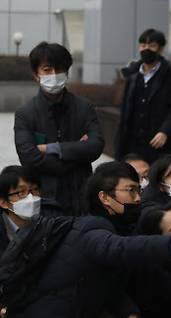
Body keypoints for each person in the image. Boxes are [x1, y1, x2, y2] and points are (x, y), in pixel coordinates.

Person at [0, 161, 171, 318]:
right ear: (105, 198)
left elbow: (107, 285)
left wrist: (130, 313)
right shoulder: (91, 229)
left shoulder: (120, 224)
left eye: (139, 190)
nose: (138, 198)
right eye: (130, 190)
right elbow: (118, 249)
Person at [14, 42, 105, 216]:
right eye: (47, 70)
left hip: (82, 197)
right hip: (46, 200)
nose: (54, 75)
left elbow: (96, 145)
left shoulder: (84, 107)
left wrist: (53, 149)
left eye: (59, 69)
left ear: (67, 72)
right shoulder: (25, 114)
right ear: (36, 74)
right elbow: (29, 158)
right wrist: (77, 154)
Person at [115, 29, 171, 163]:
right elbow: (126, 107)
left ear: (160, 49)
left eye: (152, 46)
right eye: (143, 45)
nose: (146, 49)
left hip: (158, 141)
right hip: (133, 141)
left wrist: (165, 131)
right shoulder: (133, 74)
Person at [0, 166, 62, 257]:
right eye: (21, 192)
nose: (30, 198)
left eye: (35, 190)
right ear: (4, 203)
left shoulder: (53, 215)